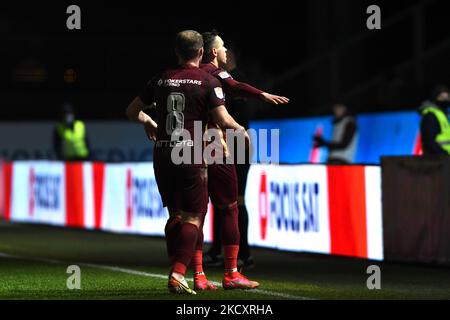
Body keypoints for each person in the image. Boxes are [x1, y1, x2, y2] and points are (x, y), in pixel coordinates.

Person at [126, 30, 256, 294]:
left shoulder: (160, 78)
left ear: (177, 51)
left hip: (163, 152)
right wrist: (241, 131)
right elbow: (223, 119)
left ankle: (196, 274)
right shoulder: (208, 81)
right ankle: (193, 273)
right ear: (203, 52)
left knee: (176, 216)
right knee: (201, 215)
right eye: (222, 48)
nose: (226, 52)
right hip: (194, 151)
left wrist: (149, 122)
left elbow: (131, 111)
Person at [196, 31, 289, 273]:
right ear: (216, 52)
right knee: (222, 201)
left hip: (231, 140)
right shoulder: (218, 77)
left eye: (227, 47)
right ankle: (221, 251)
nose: (225, 50)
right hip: (221, 139)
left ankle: (240, 254)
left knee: (232, 201)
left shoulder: (227, 79)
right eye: (222, 46)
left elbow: (240, 111)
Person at [418, 85, 450, 155]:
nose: (445, 100)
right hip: (437, 160)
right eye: (441, 97)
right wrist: (444, 154)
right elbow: (429, 141)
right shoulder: (431, 115)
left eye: (447, 97)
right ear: (435, 98)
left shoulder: (443, 114)